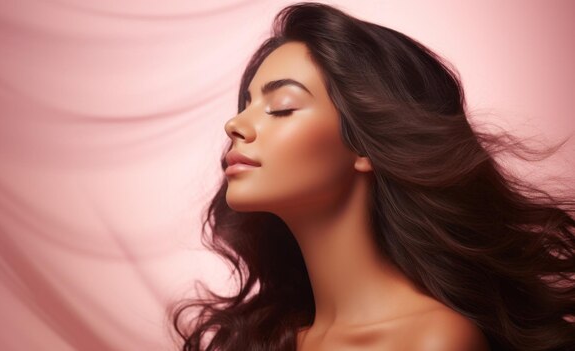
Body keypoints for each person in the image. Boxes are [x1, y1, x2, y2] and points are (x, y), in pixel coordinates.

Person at [168, 2, 575, 350]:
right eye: (245, 104)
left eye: (281, 107)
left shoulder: (431, 340)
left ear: (364, 145)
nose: (235, 124)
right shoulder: (267, 337)